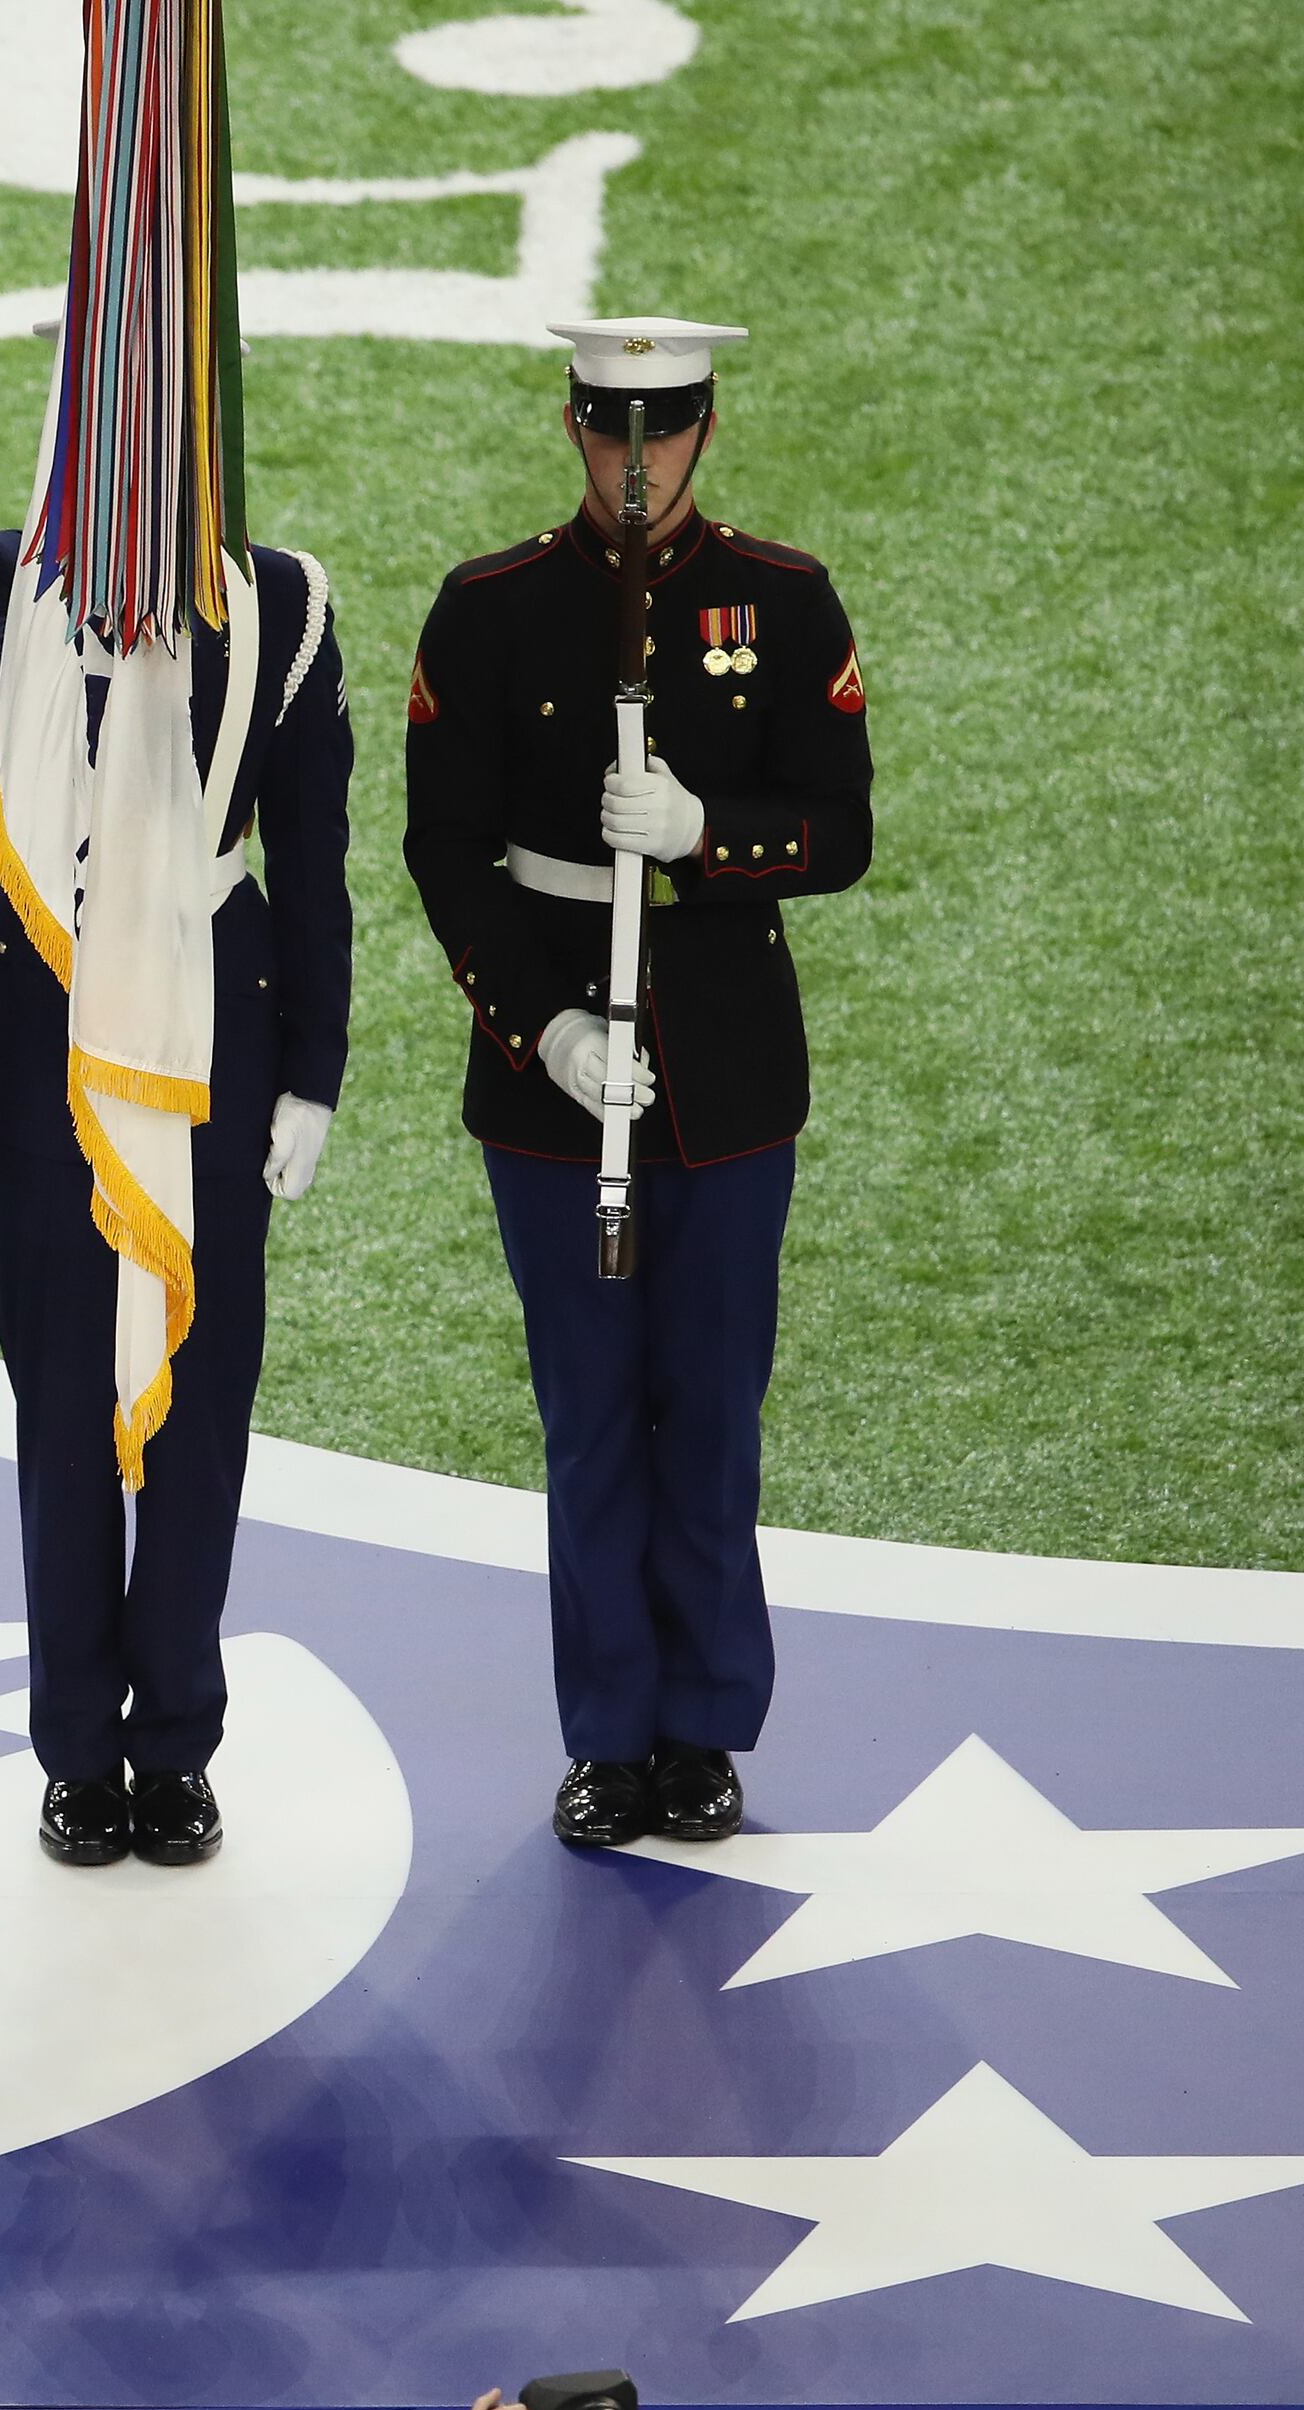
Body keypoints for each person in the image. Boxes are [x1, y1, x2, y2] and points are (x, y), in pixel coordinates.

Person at [400, 316, 872, 1849]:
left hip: (728, 1070)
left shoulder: (782, 606)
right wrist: (542, 1027)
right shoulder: (491, 613)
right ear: (572, 429)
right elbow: (443, 852)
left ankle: (704, 1731)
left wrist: (703, 833)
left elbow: (843, 830)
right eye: (610, 429)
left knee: (713, 1408)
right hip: (555, 1083)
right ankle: (607, 1732)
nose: (635, 461)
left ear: (706, 435)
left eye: (661, 432)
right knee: (591, 1414)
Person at [0, 513, 351, 1868]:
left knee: (201, 1408)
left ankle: (172, 1745)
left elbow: (313, 844)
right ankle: (76, 1753)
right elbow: (25, 728)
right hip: (49, 1023)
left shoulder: (281, 601)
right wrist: (114, 607)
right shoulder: (7, 580)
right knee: (60, 1412)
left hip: (220, 1027)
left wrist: (316, 1070)